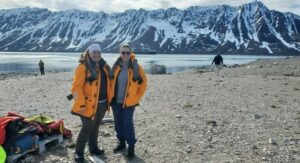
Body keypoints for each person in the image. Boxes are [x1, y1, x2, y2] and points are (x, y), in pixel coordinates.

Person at [71, 44, 111, 163]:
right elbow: (76, 88)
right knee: (86, 128)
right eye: (94, 52)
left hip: (102, 104)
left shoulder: (103, 66)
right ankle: (78, 153)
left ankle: (93, 149)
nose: (96, 54)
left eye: (98, 52)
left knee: (96, 127)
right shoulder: (83, 67)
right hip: (87, 105)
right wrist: (81, 104)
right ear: (89, 53)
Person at [109, 44, 147, 159]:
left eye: (127, 52)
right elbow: (110, 82)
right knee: (118, 123)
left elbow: (143, 83)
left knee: (128, 123)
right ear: (120, 53)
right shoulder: (115, 66)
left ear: (131, 53)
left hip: (129, 102)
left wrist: (137, 96)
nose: (125, 54)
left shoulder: (136, 67)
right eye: (123, 52)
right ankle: (121, 143)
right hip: (116, 101)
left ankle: (131, 146)